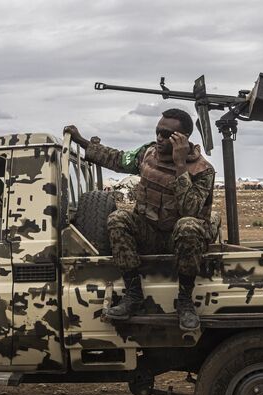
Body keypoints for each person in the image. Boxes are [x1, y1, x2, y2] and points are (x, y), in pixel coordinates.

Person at [64, 108, 215, 331]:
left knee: (189, 225)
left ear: (182, 139)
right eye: (158, 132)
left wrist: (181, 165)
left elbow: (189, 209)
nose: (160, 138)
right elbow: (117, 158)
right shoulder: (147, 154)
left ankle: (185, 300)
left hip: (180, 240)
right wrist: (82, 141)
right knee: (118, 218)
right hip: (149, 233)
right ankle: (133, 295)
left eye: (167, 135)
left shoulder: (202, 170)